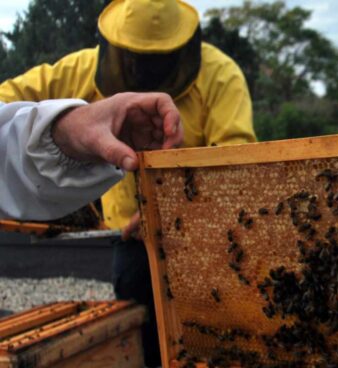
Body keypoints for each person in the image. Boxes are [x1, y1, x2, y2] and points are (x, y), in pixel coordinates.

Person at [0, 1, 256, 365]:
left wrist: (172, 210)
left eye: (155, 60)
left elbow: (237, 162)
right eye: (133, 58)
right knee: (141, 340)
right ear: (115, 46)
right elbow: (4, 105)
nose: (141, 69)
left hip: (204, 241)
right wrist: (64, 122)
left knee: (210, 342)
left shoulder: (221, 75)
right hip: (129, 242)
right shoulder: (78, 70)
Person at [0, 92, 182, 220]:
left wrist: (65, 132)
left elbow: (8, 154)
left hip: (167, 212)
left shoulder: (210, 75)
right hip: (122, 220)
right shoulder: (75, 68)